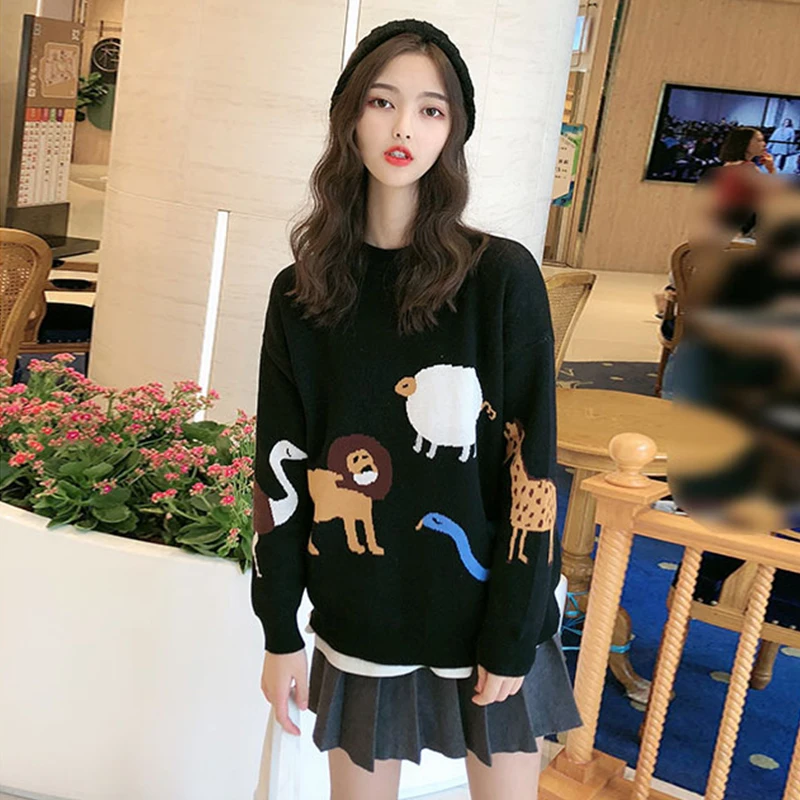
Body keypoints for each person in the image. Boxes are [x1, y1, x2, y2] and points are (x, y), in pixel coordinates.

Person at [250, 19, 581, 800]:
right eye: (382, 101)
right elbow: (280, 468)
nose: (405, 127)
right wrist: (279, 631)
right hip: (362, 607)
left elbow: (530, 464)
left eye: (431, 110)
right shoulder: (301, 294)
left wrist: (513, 630)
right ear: (350, 117)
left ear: (453, 131)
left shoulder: (501, 279)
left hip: (491, 602)